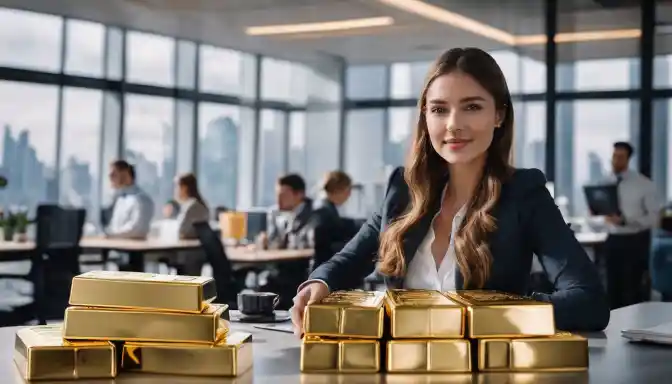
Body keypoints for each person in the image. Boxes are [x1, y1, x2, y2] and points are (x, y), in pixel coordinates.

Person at [291, 47, 610, 335]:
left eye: (471, 107)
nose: (453, 124)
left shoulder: (524, 193)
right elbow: (348, 260)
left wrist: (504, 315)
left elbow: (588, 300)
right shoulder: (403, 188)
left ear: (498, 115)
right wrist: (319, 283)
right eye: (440, 109)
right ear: (425, 117)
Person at [600, 142, 660, 309]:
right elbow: (597, 216)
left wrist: (627, 221)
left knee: (632, 289)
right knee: (611, 288)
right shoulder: (605, 182)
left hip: (634, 240)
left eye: (620, 157)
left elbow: (654, 218)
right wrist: (598, 215)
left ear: (628, 159)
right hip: (612, 239)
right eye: (614, 156)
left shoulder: (643, 184)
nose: (616, 161)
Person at [309, 171, 359, 270]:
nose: (349, 195)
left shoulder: (324, 208)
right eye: (348, 190)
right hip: (325, 268)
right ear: (338, 190)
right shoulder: (323, 211)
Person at [105, 160, 154, 239]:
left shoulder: (141, 199)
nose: (110, 177)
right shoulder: (120, 199)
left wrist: (110, 235)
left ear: (126, 174)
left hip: (132, 249)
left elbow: (138, 230)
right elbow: (114, 227)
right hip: (116, 247)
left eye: (113, 174)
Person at [266, 174, 313, 249]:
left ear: (299, 195)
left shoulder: (314, 213)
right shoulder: (275, 213)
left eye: (283, 196)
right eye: (277, 196)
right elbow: (272, 241)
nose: (278, 201)